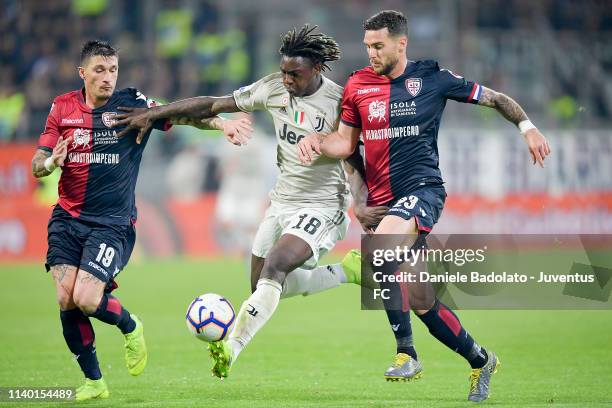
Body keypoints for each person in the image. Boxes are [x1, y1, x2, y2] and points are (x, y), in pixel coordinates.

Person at [298, 10, 551, 402]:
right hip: (384, 203)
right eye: (367, 46)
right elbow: (345, 145)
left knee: (378, 253)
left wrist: (527, 127)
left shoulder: (432, 78)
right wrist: (318, 142)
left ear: (402, 43)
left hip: (423, 191)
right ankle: (481, 359)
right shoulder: (357, 85)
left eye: (378, 46)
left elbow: (496, 99)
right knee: (421, 300)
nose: (371, 54)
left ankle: (406, 354)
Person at [113, 26, 385, 379]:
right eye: (284, 71)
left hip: (322, 206)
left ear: (317, 68)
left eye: (295, 74)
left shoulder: (338, 101)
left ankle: (231, 348)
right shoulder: (272, 87)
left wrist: (360, 201)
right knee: (265, 286)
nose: (286, 79)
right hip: (281, 203)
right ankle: (347, 271)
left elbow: (352, 155)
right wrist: (155, 113)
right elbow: (212, 104)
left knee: (276, 266)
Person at [32, 39, 247, 401]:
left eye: (113, 70)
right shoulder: (62, 107)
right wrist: (52, 162)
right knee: (65, 300)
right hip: (67, 218)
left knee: (86, 299)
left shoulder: (132, 104)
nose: (108, 78)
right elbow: (37, 165)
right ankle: (95, 381)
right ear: (82, 73)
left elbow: (179, 114)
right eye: (99, 70)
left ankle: (131, 327)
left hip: (111, 223)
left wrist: (220, 124)